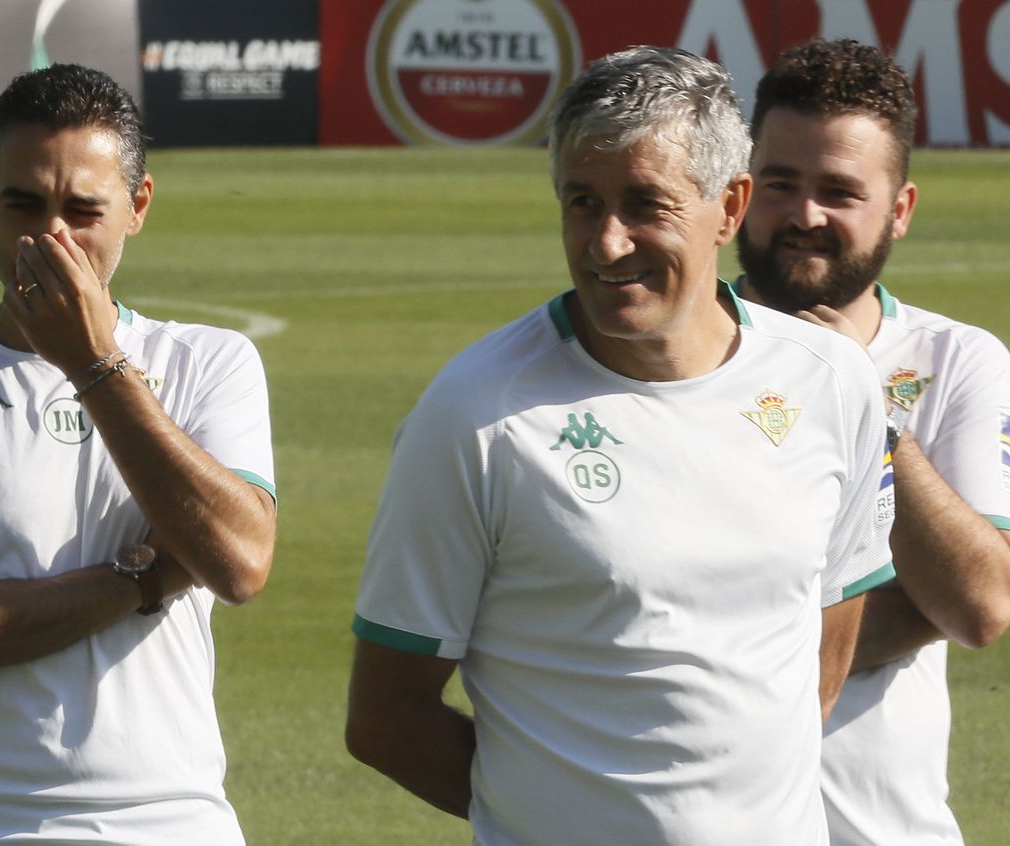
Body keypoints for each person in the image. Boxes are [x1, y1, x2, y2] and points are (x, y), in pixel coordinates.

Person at [344, 46, 895, 844]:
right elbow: (386, 720)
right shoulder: (473, 415)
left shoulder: (833, 381)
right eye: (581, 201)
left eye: (645, 204)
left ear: (730, 205)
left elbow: (827, 641)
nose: (606, 242)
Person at [0, 65, 277, 844]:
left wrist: (93, 364)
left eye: (84, 210)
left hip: (170, 822)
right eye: (23, 203)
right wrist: (143, 575)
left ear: (137, 207)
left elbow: (239, 562)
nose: (52, 238)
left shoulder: (210, 364)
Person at [734, 38, 1010, 844]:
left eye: (839, 192)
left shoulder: (955, 359)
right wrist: (910, 604)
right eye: (781, 185)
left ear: (899, 210)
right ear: (737, 189)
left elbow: (980, 602)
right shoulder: (673, 356)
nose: (805, 215)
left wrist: (864, 406)